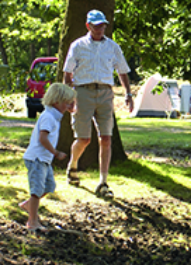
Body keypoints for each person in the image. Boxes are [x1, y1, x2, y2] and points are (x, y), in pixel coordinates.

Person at [62, 9, 134, 198]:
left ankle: (103, 182)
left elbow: (122, 71)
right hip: (83, 92)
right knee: (84, 139)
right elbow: (68, 73)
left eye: (102, 25)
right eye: (96, 26)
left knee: (106, 138)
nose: (100, 29)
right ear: (88, 26)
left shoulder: (112, 47)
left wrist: (128, 93)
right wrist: (68, 97)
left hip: (105, 93)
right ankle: (73, 166)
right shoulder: (77, 46)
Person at [19, 83, 76, 232]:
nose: (68, 105)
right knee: (36, 190)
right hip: (37, 158)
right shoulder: (48, 117)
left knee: (49, 186)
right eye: (66, 102)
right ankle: (32, 221)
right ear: (56, 102)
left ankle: (28, 205)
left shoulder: (55, 116)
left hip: (44, 160)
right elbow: (43, 138)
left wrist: (70, 107)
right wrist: (56, 153)